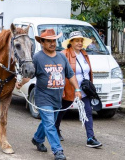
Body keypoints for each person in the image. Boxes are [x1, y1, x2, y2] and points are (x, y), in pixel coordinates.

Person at [17, 28, 81, 160]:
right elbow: (29, 75)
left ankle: (37, 138)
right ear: (42, 42)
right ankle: (58, 151)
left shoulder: (61, 57)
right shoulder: (37, 58)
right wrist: (20, 83)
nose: (53, 43)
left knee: (47, 122)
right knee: (50, 123)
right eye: (49, 41)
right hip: (43, 97)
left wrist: (77, 89)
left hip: (57, 98)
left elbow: (71, 75)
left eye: (54, 40)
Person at [55, 31, 102, 147]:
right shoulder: (63, 54)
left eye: (81, 41)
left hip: (84, 90)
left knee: (88, 112)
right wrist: (61, 90)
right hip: (69, 88)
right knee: (62, 111)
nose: (80, 43)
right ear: (71, 42)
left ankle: (90, 138)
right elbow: (59, 72)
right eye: (77, 40)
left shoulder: (84, 54)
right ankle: (55, 129)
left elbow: (88, 72)